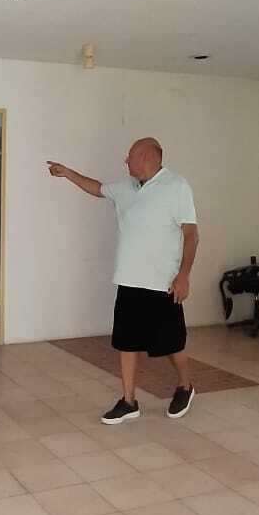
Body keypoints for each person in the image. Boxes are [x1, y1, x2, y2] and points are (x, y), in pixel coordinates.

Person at [48, 138, 199, 423]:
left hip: (162, 283)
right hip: (129, 280)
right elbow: (96, 188)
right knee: (127, 343)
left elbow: (191, 235)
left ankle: (185, 386)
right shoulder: (125, 188)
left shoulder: (177, 187)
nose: (126, 161)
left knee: (171, 344)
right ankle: (129, 401)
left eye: (129, 156)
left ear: (146, 157)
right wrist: (67, 173)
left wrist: (184, 276)